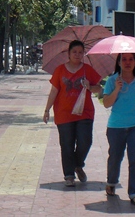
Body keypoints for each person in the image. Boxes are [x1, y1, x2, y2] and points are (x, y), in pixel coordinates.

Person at [43, 40, 102, 187]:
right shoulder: (60, 70)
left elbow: (99, 89)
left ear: (83, 54)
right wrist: (46, 110)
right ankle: (69, 175)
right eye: (74, 52)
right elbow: (54, 91)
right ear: (68, 54)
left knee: (85, 141)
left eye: (80, 52)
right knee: (67, 145)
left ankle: (78, 164)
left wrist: (90, 87)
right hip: (64, 114)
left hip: (85, 113)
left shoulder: (87, 70)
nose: (77, 54)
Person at [103, 53, 135, 207]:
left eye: (131, 59)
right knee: (115, 157)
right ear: (118, 62)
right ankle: (111, 181)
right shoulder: (112, 81)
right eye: (124, 59)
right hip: (116, 126)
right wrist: (117, 89)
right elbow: (106, 103)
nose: (127, 62)